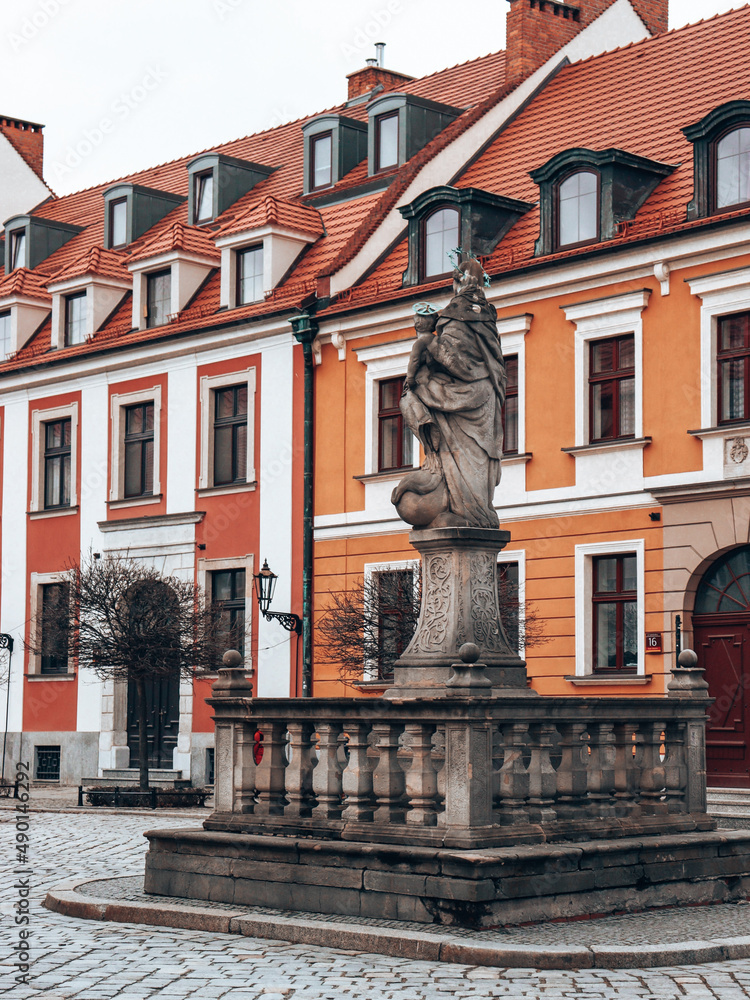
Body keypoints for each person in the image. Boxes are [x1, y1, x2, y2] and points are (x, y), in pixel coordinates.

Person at [392, 259, 506, 530]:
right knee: (473, 455)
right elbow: (484, 363)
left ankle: (472, 512)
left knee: (463, 452)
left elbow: (457, 363)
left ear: (458, 283)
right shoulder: (488, 320)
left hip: (463, 397)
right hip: (485, 396)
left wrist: (428, 350)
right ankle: (472, 509)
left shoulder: (454, 318)